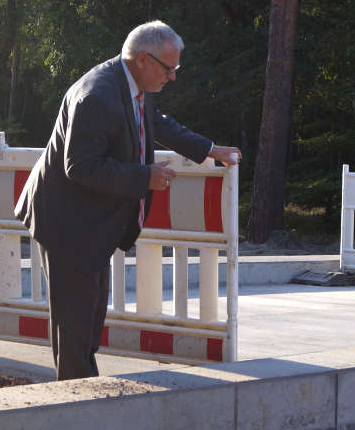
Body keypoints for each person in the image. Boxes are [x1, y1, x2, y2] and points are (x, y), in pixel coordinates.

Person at [15, 21, 241, 380]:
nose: (173, 77)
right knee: (75, 325)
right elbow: (80, 167)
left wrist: (211, 149)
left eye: (176, 68)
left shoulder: (132, 84)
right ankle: (76, 403)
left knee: (89, 318)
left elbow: (157, 122)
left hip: (88, 222)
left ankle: (84, 394)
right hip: (65, 223)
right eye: (169, 69)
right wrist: (144, 177)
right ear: (142, 59)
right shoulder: (98, 96)